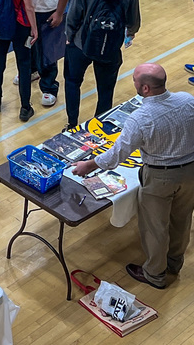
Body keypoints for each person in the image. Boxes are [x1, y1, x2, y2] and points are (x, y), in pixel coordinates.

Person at [73, 64, 194, 289]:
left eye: (135, 81)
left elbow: (117, 155)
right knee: (182, 219)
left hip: (160, 178)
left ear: (145, 88)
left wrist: (88, 165)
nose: (134, 84)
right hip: (190, 172)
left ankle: (155, 274)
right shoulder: (187, 100)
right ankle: (174, 263)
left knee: (155, 227)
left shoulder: (141, 118)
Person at [63, 0, 140, 127]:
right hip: (111, 46)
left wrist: (69, 35)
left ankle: (72, 124)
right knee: (106, 90)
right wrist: (130, 34)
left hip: (81, 43)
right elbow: (133, 22)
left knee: (72, 83)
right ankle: (99, 126)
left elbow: (73, 14)